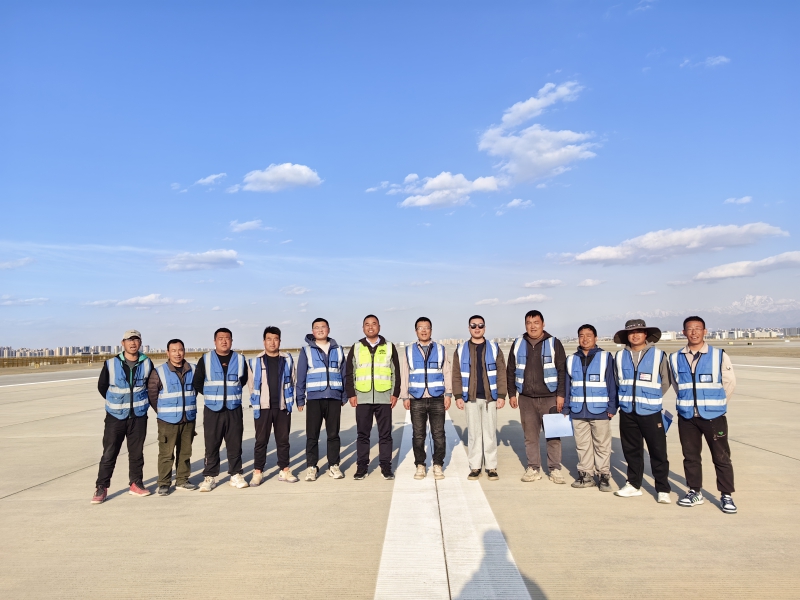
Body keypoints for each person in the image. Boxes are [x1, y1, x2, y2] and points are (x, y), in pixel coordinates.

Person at [669, 316, 738, 514]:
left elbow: (729, 382)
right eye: (689, 329)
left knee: (721, 456)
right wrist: (688, 403)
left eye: (698, 328)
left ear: (705, 331)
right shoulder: (675, 358)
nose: (694, 332)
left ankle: (726, 495)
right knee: (690, 456)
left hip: (714, 416)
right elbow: (677, 384)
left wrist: (718, 404)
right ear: (684, 332)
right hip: (687, 416)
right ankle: (694, 491)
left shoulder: (718, 355)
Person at [91, 329, 155, 504]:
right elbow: (102, 387)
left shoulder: (147, 363)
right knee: (109, 453)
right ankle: (101, 487)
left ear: (140, 342)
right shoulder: (111, 364)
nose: (133, 343)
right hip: (115, 417)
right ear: (123, 343)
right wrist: (117, 403)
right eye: (129, 340)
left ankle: (136, 483)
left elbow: (151, 386)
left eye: (136, 340)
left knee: (136, 453)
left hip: (138, 416)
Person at [612, 319, 672, 504]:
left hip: (651, 412)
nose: (635, 335)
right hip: (628, 411)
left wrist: (650, 398)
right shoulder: (619, 356)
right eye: (631, 332)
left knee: (658, 451)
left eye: (639, 331)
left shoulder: (659, 355)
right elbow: (617, 381)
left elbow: (665, 381)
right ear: (626, 336)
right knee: (631, 451)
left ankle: (662, 488)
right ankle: (633, 484)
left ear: (645, 334)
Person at [507, 310, 568, 484]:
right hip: (526, 398)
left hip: (550, 397)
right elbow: (510, 370)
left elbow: (562, 371)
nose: (532, 326)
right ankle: (533, 467)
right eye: (529, 323)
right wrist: (512, 393)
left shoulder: (554, 343)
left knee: (553, 436)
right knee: (530, 436)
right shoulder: (518, 343)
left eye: (536, 322)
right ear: (525, 325)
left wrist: (561, 395)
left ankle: (555, 469)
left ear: (543, 324)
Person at [562, 324, 617, 492]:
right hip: (578, 410)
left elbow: (612, 383)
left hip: (600, 410)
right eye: (581, 335)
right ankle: (586, 475)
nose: (585, 339)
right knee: (582, 445)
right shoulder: (571, 359)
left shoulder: (605, 357)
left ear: (595, 338)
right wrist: (566, 408)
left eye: (588, 335)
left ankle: (603, 476)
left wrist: (612, 406)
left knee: (602, 445)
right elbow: (567, 386)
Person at [193, 327, 249, 492]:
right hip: (213, 409)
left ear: (231, 341)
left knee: (235, 443)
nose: (224, 341)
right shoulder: (206, 359)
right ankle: (210, 476)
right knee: (211, 444)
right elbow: (198, 382)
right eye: (220, 338)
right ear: (215, 341)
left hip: (233, 408)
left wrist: (229, 394)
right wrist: (213, 395)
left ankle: (235, 474)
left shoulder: (240, 359)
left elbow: (243, 380)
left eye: (227, 338)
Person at [345, 314, 400, 480]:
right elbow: (350, 372)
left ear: (379, 327)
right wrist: (351, 394)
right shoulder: (356, 347)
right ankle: (362, 467)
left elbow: (396, 372)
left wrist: (395, 393)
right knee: (363, 434)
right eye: (367, 324)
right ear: (363, 328)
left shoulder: (389, 346)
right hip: (362, 398)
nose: (370, 327)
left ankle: (386, 466)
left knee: (385, 434)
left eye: (374, 324)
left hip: (384, 398)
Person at [452, 315, 508, 481]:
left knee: (490, 433)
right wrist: (457, 396)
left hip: (490, 398)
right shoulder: (461, 349)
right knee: (474, 433)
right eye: (473, 325)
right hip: (470, 398)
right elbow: (456, 374)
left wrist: (502, 395)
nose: (477, 328)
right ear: (469, 328)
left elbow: (501, 372)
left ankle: (491, 466)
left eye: (480, 325)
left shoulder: (494, 348)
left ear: (485, 328)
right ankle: (475, 466)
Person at [399, 317, 453, 480]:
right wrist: (405, 396)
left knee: (438, 434)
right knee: (418, 434)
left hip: (437, 397)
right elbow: (405, 374)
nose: (424, 330)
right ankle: (420, 465)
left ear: (431, 330)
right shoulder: (409, 350)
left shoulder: (440, 349)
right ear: (416, 331)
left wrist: (448, 394)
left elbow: (447, 372)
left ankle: (438, 464)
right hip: (416, 398)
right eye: (420, 328)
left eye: (427, 327)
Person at [296, 318, 348, 482]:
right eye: (316, 327)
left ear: (328, 329)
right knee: (312, 435)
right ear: (312, 331)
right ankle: (312, 466)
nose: (320, 330)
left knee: (333, 434)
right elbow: (300, 376)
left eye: (323, 327)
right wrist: (300, 398)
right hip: (314, 398)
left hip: (333, 397)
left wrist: (344, 395)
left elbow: (344, 374)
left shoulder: (338, 349)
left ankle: (334, 465)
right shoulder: (306, 351)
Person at [247, 326, 298, 486]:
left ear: (280, 341)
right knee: (261, 441)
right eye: (269, 339)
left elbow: (293, 380)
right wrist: (259, 401)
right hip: (263, 408)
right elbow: (251, 385)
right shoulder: (255, 362)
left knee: (283, 440)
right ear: (264, 341)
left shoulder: (288, 359)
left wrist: (288, 400)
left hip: (282, 407)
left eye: (275, 339)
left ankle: (284, 470)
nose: (272, 342)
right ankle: (258, 472)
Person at [146, 338, 198, 496]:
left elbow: (195, 391)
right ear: (167, 353)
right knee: (166, 454)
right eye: (173, 350)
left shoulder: (193, 370)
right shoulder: (159, 372)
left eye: (180, 350)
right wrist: (163, 412)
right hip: (167, 421)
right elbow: (152, 395)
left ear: (184, 351)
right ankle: (164, 483)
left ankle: (182, 480)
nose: (177, 353)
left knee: (185, 452)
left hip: (188, 419)